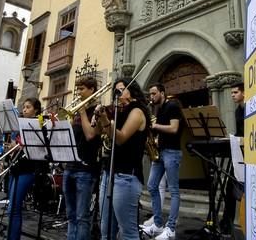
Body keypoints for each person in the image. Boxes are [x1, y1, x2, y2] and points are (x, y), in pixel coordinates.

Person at [95, 78, 150, 240]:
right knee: (106, 229)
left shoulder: (137, 111)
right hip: (109, 173)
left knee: (128, 232)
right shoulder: (119, 112)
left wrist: (106, 119)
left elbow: (120, 138)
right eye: (115, 92)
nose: (117, 94)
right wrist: (98, 117)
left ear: (131, 91)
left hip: (126, 176)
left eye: (121, 90)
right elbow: (101, 133)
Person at [63, 76, 101, 240]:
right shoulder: (78, 111)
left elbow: (90, 135)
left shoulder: (97, 110)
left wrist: (83, 111)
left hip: (85, 169)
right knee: (70, 215)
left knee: (81, 217)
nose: (78, 92)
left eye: (82, 89)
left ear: (92, 89)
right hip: (70, 167)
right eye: (77, 89)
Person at [142, 83, 183, 240]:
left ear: (162, 93)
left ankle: (171, 228)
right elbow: (162, 132)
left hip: (172, 152)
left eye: (154, 94)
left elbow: (173, 128)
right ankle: (158, 224)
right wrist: (155, 140)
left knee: (173, 190)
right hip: (161, 151)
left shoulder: (172, 106)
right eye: (150, 94)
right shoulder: (159, 110)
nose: (151, 97)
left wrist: (155, 126)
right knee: (152, 185)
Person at [6, 97, 42, 240]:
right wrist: (12, 147)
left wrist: (21, 145)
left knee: (14, 208)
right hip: (15, 168)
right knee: (11, 207)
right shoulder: (20, 125)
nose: (24, 109)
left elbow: (38, 148)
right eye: (24, 107)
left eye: (28, 107)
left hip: (28, 169)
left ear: (36, 110)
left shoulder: (38, 125)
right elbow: (16, 146)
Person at [220, 82, 245, 235]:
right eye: (231, 93)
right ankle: (226, 225)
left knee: (242, 191)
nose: (233, 95)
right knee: (230, 189)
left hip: (249, 156)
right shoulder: (237, 111)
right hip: (239, 155)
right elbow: (238, 133)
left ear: (244, 92)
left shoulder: (250, 109)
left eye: (235, 92)